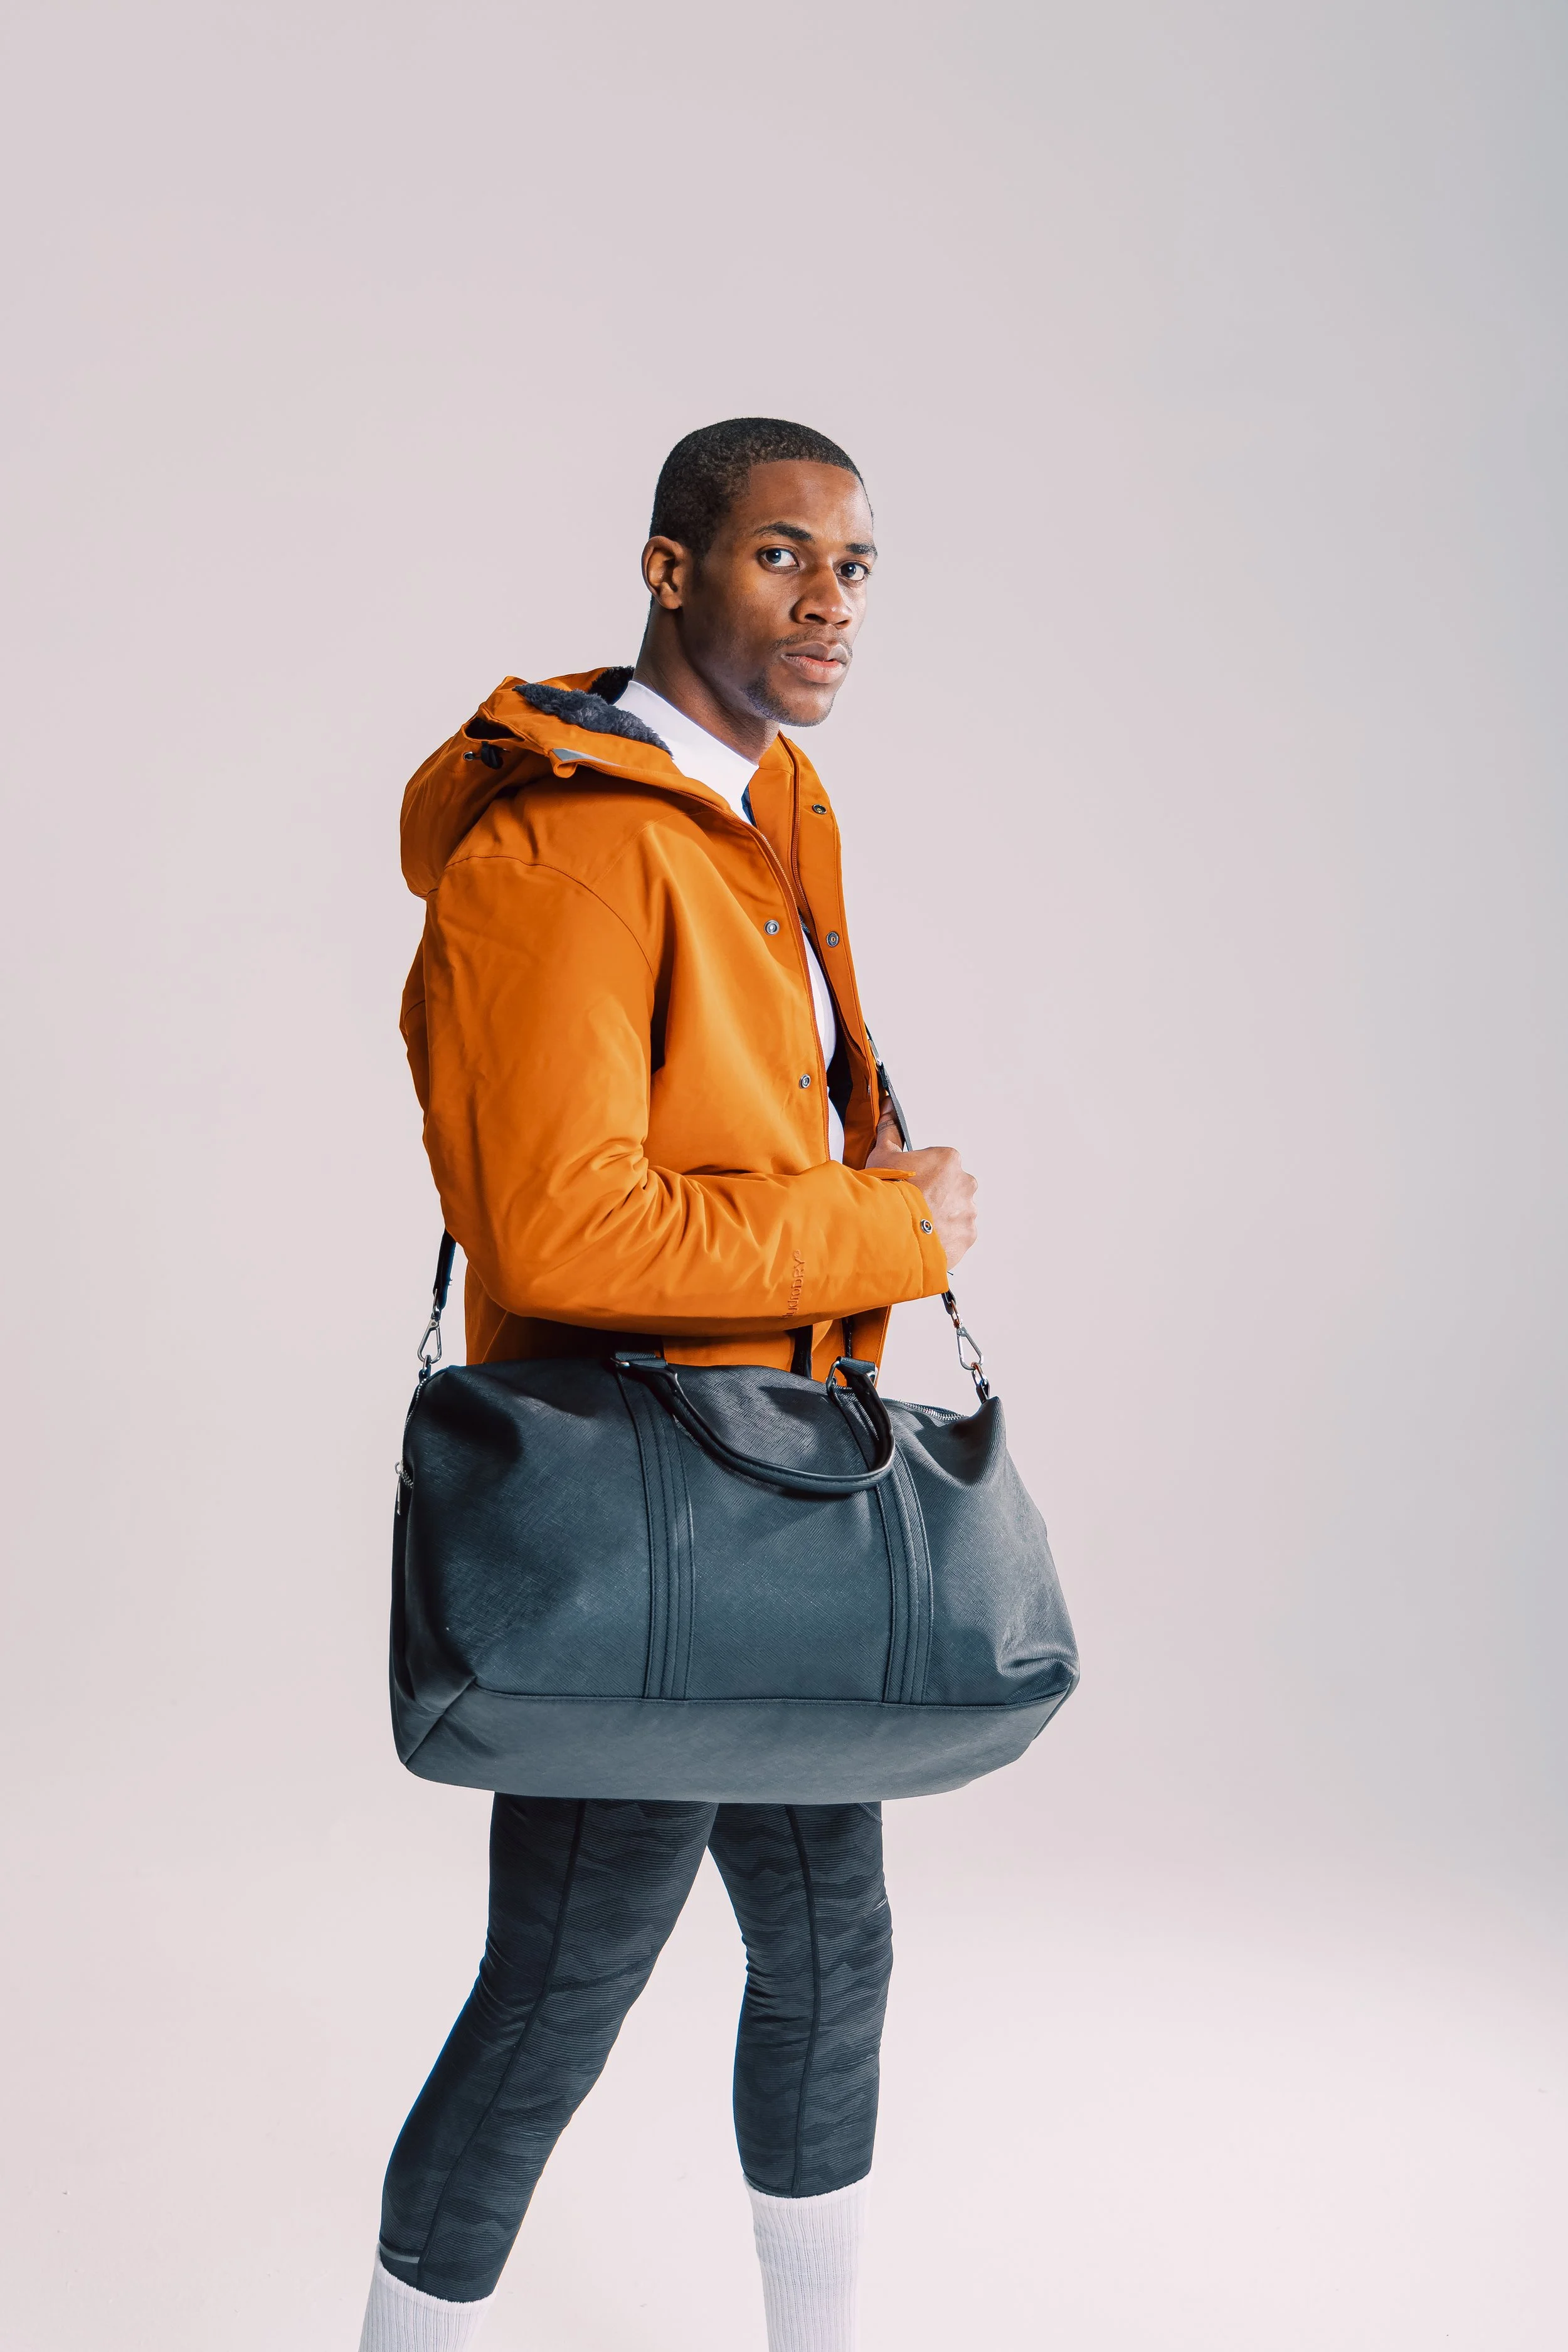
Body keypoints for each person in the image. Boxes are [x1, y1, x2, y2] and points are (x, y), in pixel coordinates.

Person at [361, 418, 979, 2352]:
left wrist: (859, 1194)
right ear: (668, 570)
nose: (828, 601)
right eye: (783, 554)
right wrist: (893, 1236)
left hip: (785, 1490)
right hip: (637, 1516)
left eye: (856, 565)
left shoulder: (774, 813)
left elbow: (743, 1144)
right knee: (560, 1985)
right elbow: (562, 1235)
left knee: (832, 1953)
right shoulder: (560, 848)